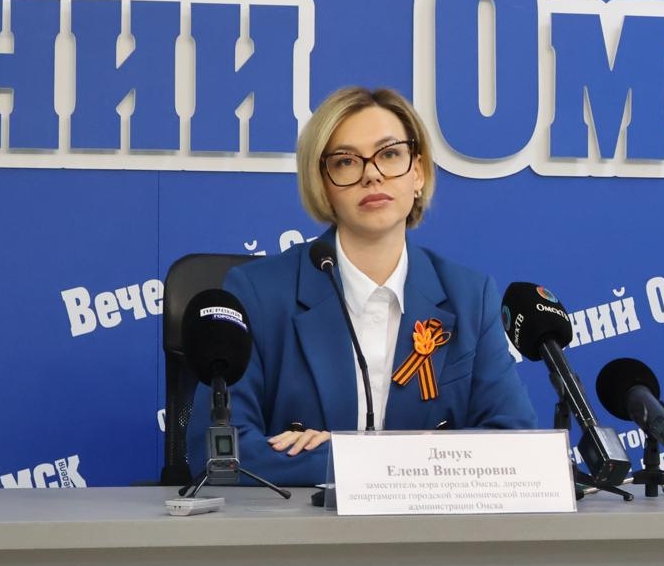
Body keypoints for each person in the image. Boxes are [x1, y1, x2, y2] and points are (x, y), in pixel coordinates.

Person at [188, 86, 537, 487]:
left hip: (431, 526)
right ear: (323, 184)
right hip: (300, 525)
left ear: (418, 172)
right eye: (346, 161)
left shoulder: (470, 297)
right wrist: (389, 463)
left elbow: (516, 444)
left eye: (389, 154)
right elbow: (218, 452)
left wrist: (355, 456)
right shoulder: (258, 293)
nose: (372, 174)